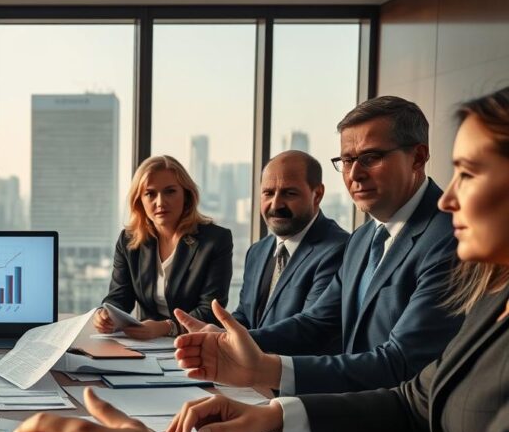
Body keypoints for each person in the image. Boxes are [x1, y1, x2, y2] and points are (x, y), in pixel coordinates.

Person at [0, 86, 509, 432]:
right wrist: (269, 405)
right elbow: (413, 399)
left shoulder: (445, 250)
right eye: (346, 161)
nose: (449, 200)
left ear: (417, 158)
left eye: (467, 172)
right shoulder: (394, 250)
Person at [183, 96, 462, 396]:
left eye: (371, 157)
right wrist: (232, 341)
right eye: (347, 160)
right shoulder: (362, 238)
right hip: (348, 413)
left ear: (418, 158)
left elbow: (400, 363)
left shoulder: (453, 238)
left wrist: (266, 370)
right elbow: (317, 324)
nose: (355, 174)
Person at [94, 155, 232, 338]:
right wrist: (105, 315)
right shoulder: (129, 241)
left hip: (195, 343)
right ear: (139, 201)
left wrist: (165, 327)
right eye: (150, 194)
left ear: (186, 195)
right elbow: (119, 298)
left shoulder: (215, 240)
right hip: (145, 344)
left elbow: (210, 311)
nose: (160, 202)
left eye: (170, 191)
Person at [231, 151, 349, 332]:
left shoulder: (339, 250)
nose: (276, 204)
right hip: (250, 359)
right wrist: (216, 331)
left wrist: (230, 341)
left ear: (317, 195)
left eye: (289, 193)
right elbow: (245, 316)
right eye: (268, 193)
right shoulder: (257, 251)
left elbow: (309, 329)